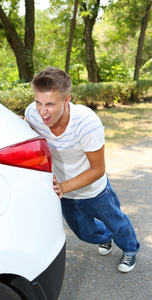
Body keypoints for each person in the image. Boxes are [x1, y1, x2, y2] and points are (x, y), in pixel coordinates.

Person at [25, 66, 140, 273]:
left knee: (117, 223)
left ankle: (130, 249)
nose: (42, 111)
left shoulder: (87, 124)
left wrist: (63, 187)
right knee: (85, 234)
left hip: (94, 190)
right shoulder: (33, 115)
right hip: (65, 192)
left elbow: (98, 169)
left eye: (50, 104)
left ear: (67, 99)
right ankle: (107, 238)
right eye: (38, 102)